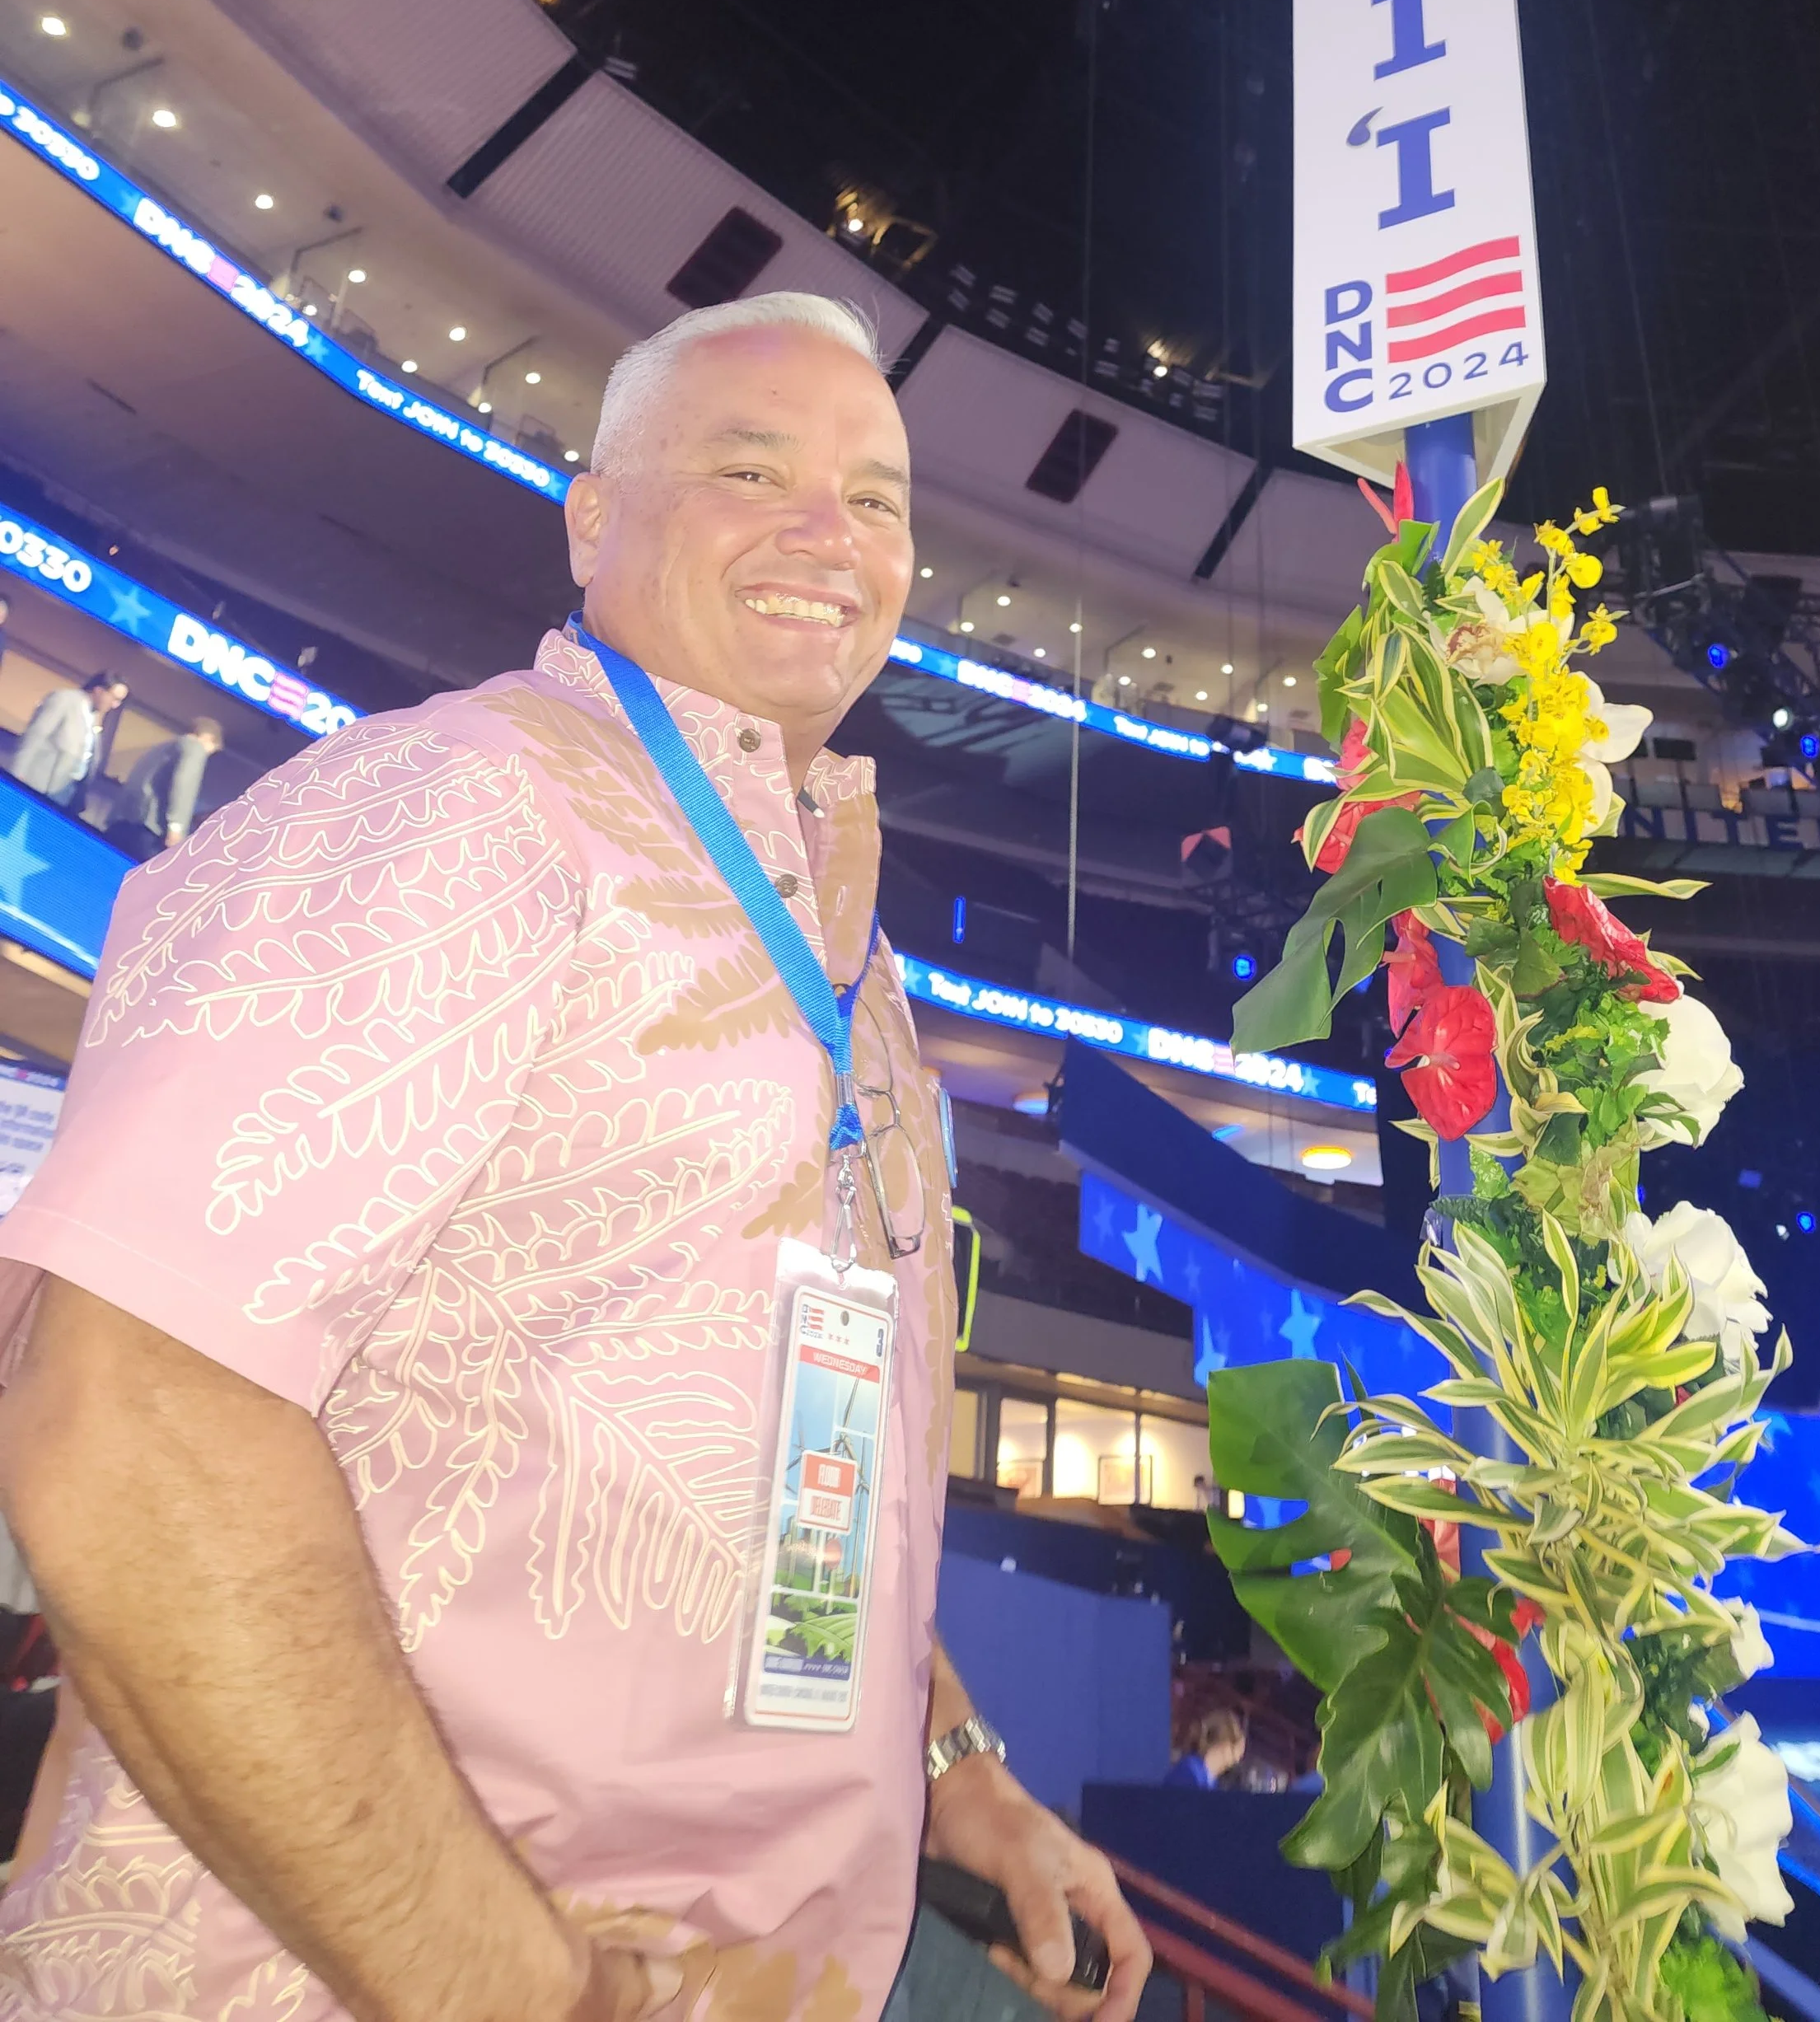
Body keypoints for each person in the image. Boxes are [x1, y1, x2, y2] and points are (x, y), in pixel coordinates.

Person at [0, 294, 1148, 2022]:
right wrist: (510, 1990)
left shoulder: (853, 967)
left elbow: (787, 1461)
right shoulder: (445, 811)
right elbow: (130, 1423)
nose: (826, 534)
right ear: (592, 516)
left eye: (877, 496)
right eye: (748, 467)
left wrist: (952, 1761)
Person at [104, 714, 224, 857]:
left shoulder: (161, 748)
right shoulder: (195, 747)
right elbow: (184, 783)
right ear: (208, 738)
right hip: (151, 829)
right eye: (212, 751)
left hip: (123, 820)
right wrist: (176, 827)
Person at [7, 670, 127, 811]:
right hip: (39, 784)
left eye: (119, 701)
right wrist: (15, 777)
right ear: (99, 690)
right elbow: (35, 736)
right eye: (114, 698)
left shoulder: (92, 717)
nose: (115, 705)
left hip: (65, 791)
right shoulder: (65, 700)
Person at [1162, 1707, 1247, 1790]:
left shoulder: (1210, 1782)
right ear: (1225, 1746)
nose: (1237, 1760)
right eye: (1234, 1752)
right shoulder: (1189, 1773)